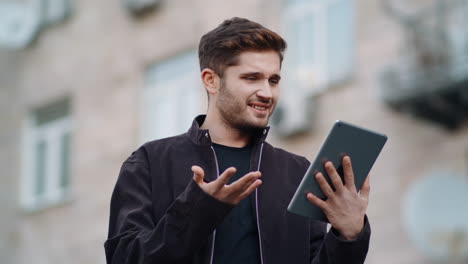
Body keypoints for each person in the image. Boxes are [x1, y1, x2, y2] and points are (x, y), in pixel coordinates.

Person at [104, 17, 371, 264]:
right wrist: (197, 211)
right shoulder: (150, 162)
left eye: (274, 80)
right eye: (251, 78)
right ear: (211, 81)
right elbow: (124, 258)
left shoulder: (297, 172)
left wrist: (348, 236)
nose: (267, 92)